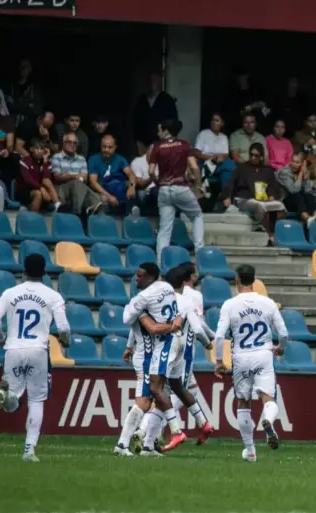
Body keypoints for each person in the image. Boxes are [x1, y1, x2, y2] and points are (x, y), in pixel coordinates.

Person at [0, 254, 70, 462]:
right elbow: (63, 327)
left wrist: (1, 338)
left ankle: (8, 394)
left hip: (13, 349)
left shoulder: (10, 293)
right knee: (36, 400)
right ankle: (29, 450)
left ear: (23, 271)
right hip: (38, 350)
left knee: (13, 402)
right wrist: (65, 341)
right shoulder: (53, 296)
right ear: (44, 272)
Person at [133, 264, 215, 456]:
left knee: (157, 391)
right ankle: (201, 423)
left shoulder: (161, 300)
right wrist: (208, 343)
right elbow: (197, 327)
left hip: (165, 349)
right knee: (177, 389)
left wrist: (131, 346)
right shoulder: (187, 301)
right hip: (183, 351)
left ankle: (166, 432)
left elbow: (142, 324)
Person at [213, 264, 289, 462]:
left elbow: (220, 337)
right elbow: (283, 333)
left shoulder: (230, 305)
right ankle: (267, 420)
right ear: (254, 280)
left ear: (237, 280)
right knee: (268, 399)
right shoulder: (268, 303)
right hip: (263, 354)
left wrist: (219, 360)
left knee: (243, 402)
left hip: (241, 357)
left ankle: (251, 450)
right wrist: (280, 348)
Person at [116, 263, 188, 456]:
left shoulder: (143, 302)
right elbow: (152, 328)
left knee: (150, 401)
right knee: (144, 401)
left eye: (139, 276)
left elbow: (130, 321)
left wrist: (128, 346)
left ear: (150, 277)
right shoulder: (154, 296)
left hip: (154, 353)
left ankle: (146, 446)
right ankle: (122, 445)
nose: (135, 279)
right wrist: (174, 325)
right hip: (146, 356)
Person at [150, 118, 203, 258]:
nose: (158, 132)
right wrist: (198, 185)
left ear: (166, 131)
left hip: (164, 189)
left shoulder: (157, 147)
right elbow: (194, 167)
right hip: (181, 188)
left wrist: (157, 182)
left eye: (160, 129)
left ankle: (161, 260)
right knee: (197, 216)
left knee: (164, 229)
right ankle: (200, 251)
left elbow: (150, 171)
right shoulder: (185, 145)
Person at [223, 142, 285, 246]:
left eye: (256, 155)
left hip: (263, 199)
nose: (253, 157)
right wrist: (227, 197)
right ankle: (262, 231)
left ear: (261, 157)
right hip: (244, 199)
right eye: (251, 154)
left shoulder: (267, 171)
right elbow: (230, 183)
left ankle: (275, 233)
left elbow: (273, 186)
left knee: (279, 206)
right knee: (258, 206)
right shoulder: (242, 168)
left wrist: (271, 195)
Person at [17, 138, 59, 212]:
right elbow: (28, 181)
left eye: (42, 149)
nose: (39, 151)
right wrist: (41, 188)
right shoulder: (25, 161)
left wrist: (45, 161)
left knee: (47, 182)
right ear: (31, 149)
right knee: (38, 193)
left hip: (43, 190)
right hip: (26, 191)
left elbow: (46, 178)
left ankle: (57, 206)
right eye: (36, 148)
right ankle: (33, 218)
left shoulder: (46, 163)